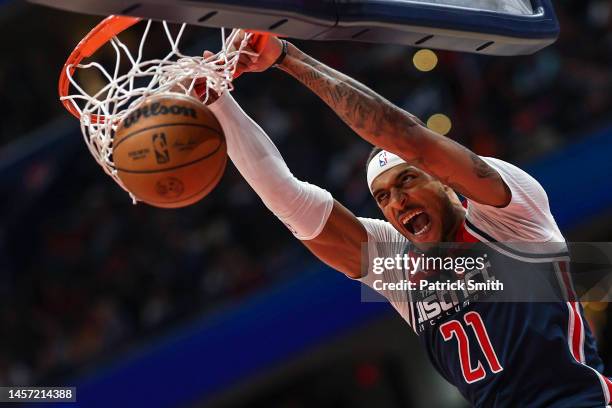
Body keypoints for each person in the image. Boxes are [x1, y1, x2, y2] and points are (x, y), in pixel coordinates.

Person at [203, 33, 612, 407]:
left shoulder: (509, 215)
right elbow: (290, 200)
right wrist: (219, 102)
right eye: (382, 197)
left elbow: (410, 138)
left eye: (408, 180)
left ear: (446, 181)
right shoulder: (400, 266)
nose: (397, 202)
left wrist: (287, 57)